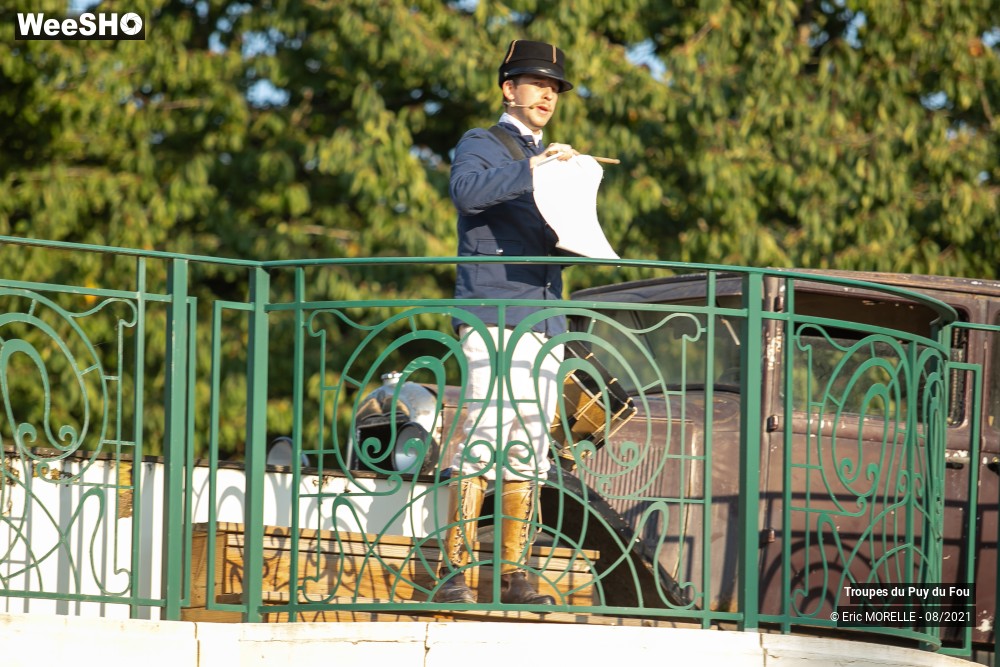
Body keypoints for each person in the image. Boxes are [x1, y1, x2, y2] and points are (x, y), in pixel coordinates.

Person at [433, 39, 579, 606]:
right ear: (508, 89)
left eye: (554, 87)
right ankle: (454, 572)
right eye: (536, 83)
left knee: (530, 444)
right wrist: (534, 167)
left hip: (545, 316)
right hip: (494, 310)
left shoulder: (551, 157)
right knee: (483, 436)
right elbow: (466, 193)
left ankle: (514, 575)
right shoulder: (482, 141)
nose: (547, 94)